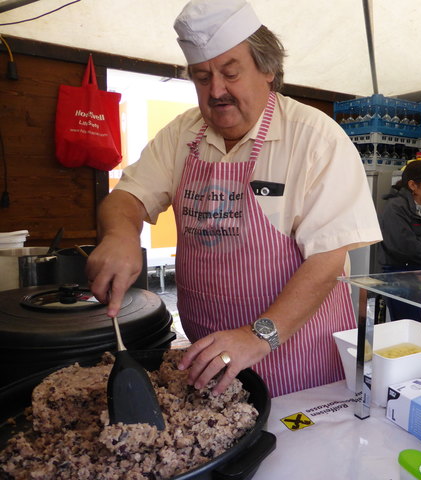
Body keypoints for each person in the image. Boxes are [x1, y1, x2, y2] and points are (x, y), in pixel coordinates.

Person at [86, 0, 382, 397]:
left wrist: (258, 336)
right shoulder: (181, 134)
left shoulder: (315, 138)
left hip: (297, 355)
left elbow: (328, 261)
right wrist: (120, 234)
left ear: (268, 70)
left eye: (230, 73)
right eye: (202, 77)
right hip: (208, 356)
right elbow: (127, 198)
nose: (216, 91)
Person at [378, 160, 421, 321]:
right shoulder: (396, 207)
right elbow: (405, 248)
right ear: (413, 185)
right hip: (400, 277)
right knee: (407, 325)